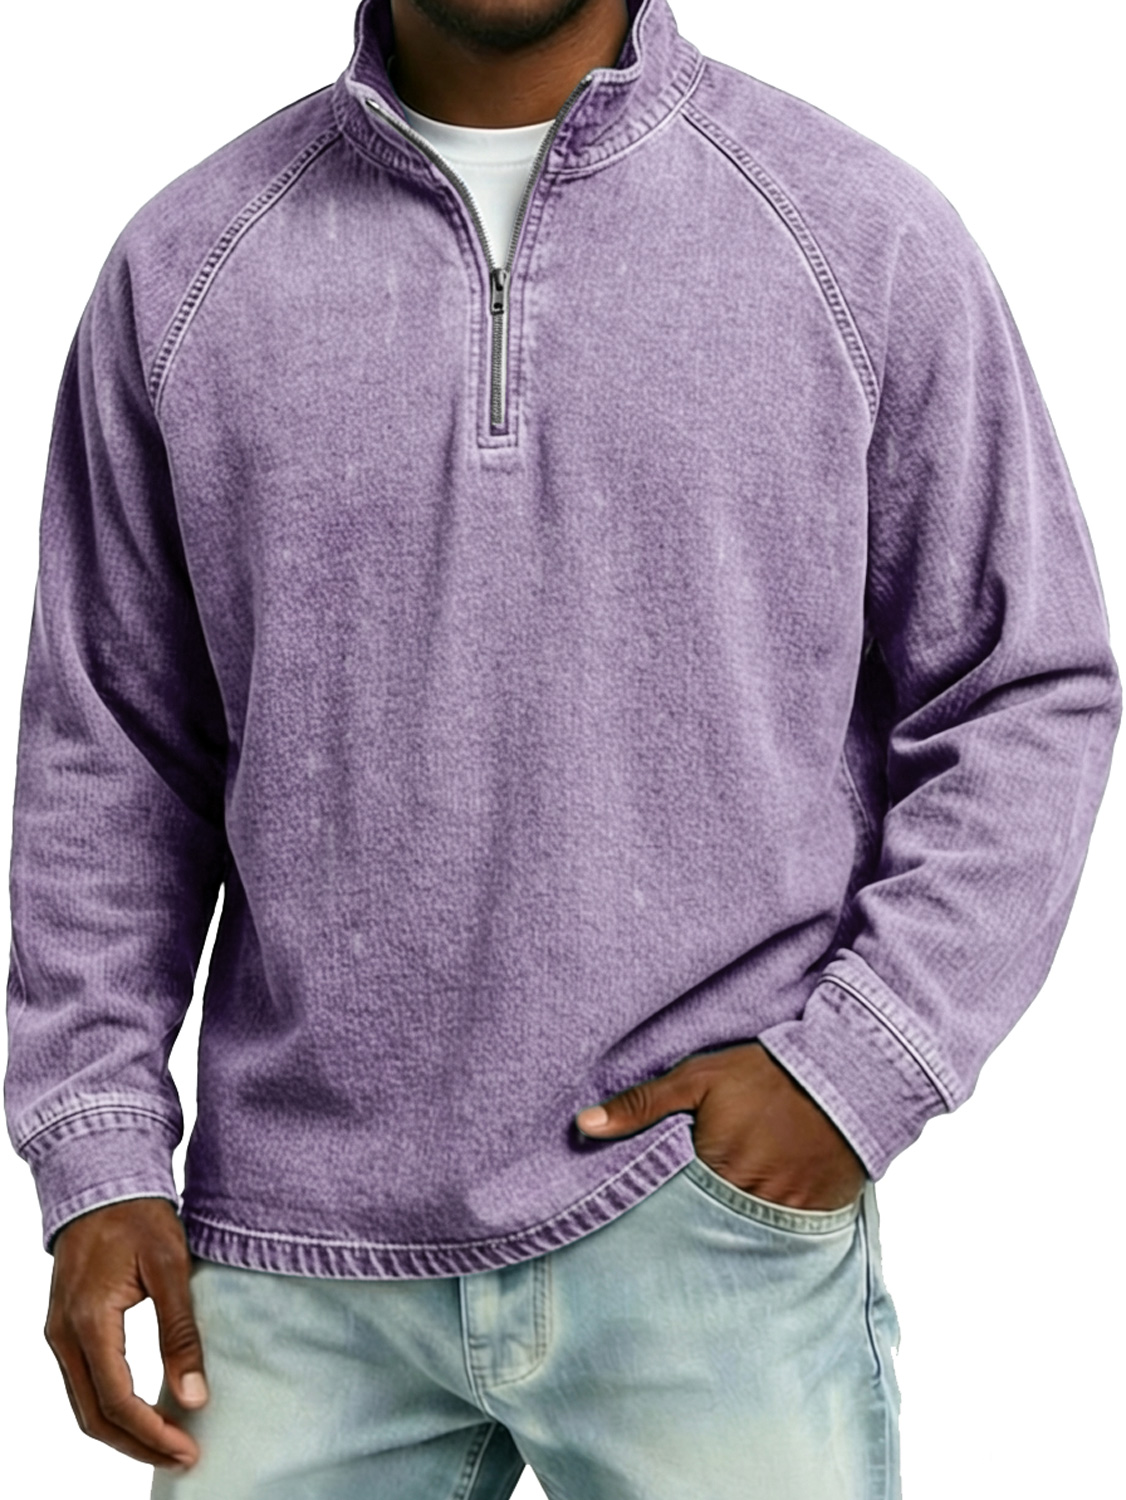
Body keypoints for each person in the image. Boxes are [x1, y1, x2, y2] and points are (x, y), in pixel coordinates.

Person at [4, 0, 1120, 1495]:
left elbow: (1023, 685)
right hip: (289, 1252)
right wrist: (96, 1152)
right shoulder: (189, 265)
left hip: (702, 1225)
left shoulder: (859, 237)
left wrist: (858, 1069)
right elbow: (111, 751)